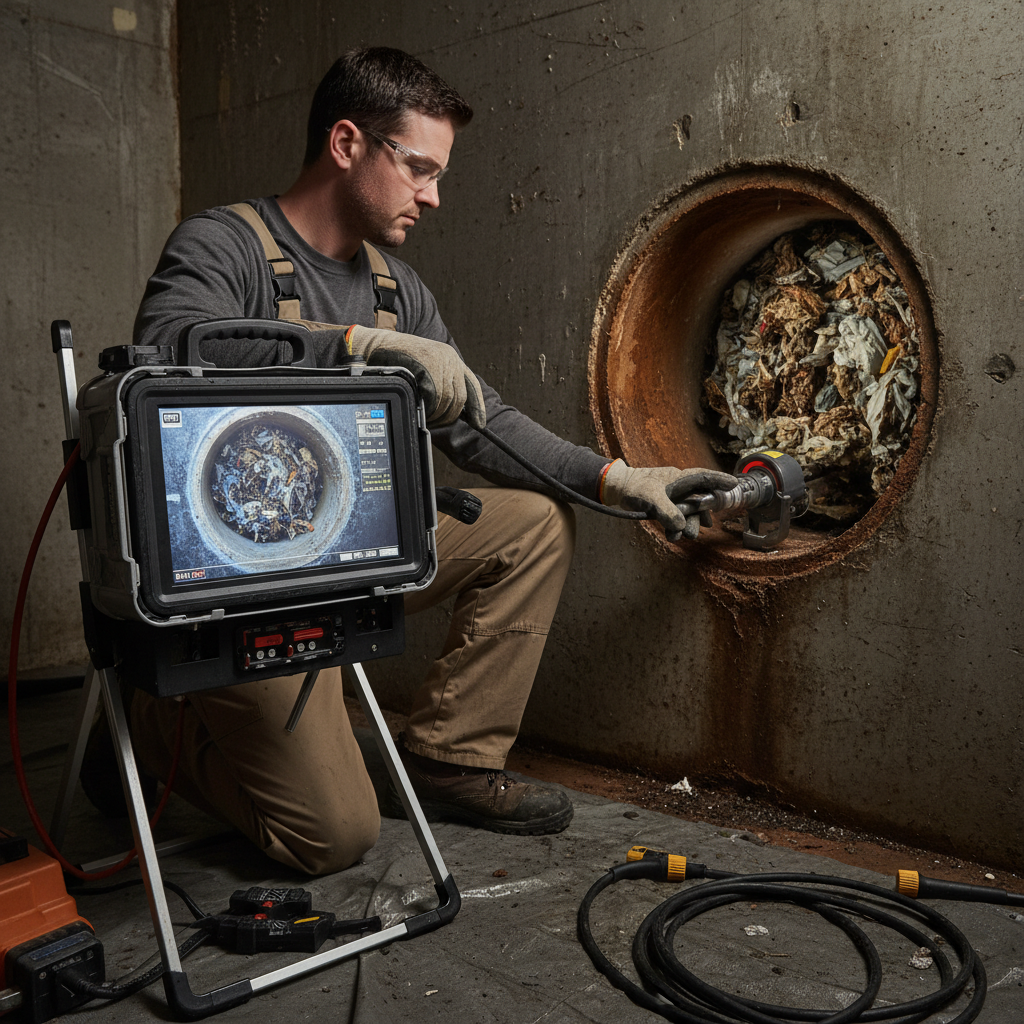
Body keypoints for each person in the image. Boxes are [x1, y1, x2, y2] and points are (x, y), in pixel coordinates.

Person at [110, 47, 737, 876]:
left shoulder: (399, 290)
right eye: (419, 169)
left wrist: (618, 480)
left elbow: (484, 424)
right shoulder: (223, 244)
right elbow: (166, 349)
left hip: (355, 548)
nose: (434, 195)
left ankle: (448, 759)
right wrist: (354, 347)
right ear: (346, 144)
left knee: (531, 527)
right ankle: (156, 729)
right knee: (334, 837)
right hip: (245, 583)